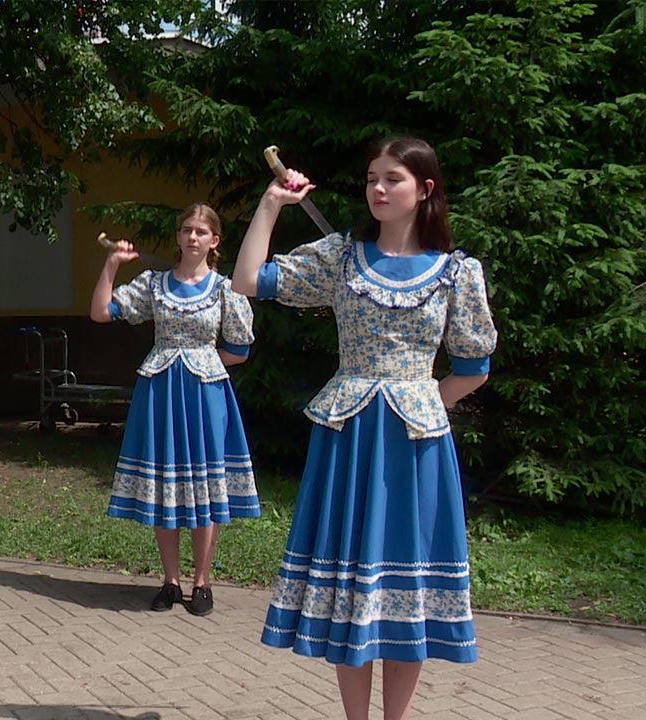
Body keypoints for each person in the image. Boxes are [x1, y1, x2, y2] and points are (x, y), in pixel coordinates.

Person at [232, 137, 497, 720]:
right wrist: (272, 203)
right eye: (371, 178)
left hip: (415, 449)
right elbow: (249, 281)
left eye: (392, 179)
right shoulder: (340, 257)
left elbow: (474, 367)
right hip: (350, 440)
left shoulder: (457, 272)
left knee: (409, 598)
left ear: (425, 190)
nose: (377, 189)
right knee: (353, 594)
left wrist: (424, 404)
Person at [90, 203, 260, 617]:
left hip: (204, 393)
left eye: (201, 231)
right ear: (178, 237)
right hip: (161, 392)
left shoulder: (225, 289)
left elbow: (240, 348)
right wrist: (112, 265)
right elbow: (100, 312)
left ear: (214, 241)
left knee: (204, 486)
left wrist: (202, 360)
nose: (192, 237)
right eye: (186, 230)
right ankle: (170, 581)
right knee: (166, 485)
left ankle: (202, 582)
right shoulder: (154, 283)